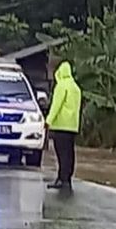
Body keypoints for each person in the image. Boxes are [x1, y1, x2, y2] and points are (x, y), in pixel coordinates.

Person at [45, 61, 81, 190]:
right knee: (69, 153)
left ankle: (62, 178)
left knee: (61, 153)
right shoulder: (76, 88)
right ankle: (67, 178)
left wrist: (48, 120)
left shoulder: (62, 86)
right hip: (72, 126)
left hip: (61, 125)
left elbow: (56, 106)